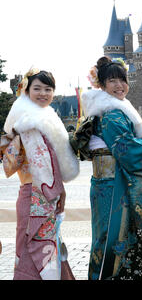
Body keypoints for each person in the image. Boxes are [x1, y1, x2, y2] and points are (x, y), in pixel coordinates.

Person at [0, 69, 79, 279]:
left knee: (43, 249)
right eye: (37, 88)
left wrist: (60, 191)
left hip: (40, 194)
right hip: (35, 194)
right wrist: (59, 190)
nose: (43, 93)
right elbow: (42, 165)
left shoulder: (43, 121)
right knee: (35, 250)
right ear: (26, 91)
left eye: (48, 89)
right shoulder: (29, 123)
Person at [77, 56, 142, 280]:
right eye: (112, 81)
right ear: (101, 84)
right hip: (113, 187)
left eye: (123, 80)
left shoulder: (112, 111)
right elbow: (127, 149)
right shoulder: (111, 114)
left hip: (107, 183)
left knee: (109, 236)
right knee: (113, 237)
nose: (119, 86)